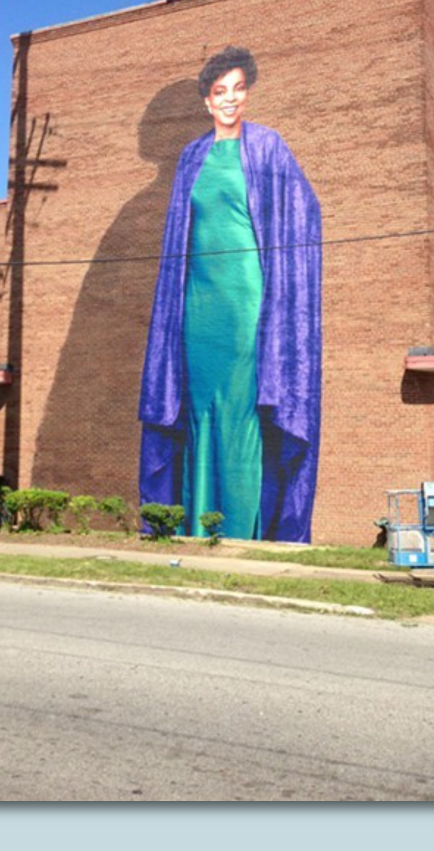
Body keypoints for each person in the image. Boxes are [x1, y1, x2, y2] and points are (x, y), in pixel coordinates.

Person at [139, 47, 323, 543]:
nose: (230, 99)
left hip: (247, 302)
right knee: (199, 412)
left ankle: (242, 534)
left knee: (241, 415)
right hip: (197, 307)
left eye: (238, 89)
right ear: (206, 100)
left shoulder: (267, 147)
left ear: (248, 93)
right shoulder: (191, 157)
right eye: (220, 91)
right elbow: (179, 234)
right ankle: (197, 527)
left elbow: (304, 209)